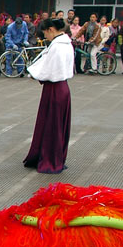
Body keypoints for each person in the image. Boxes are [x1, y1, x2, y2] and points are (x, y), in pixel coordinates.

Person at [23, 18, 73, 174]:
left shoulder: (57, 47)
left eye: (45, 33)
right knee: (56, 125)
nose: (45, 36)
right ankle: (55, 157)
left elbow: (48, 69)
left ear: (51, 29)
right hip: (62, 87)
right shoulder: (66, 44)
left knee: (51, 125)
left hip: (54, 88)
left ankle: (51, 160)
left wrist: (34, 73)